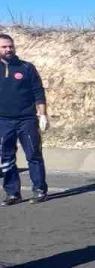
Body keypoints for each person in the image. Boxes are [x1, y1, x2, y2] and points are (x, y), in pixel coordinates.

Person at [0, 34, 50, 205]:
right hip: (3, 121)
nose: (8, 49)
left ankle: (40, 189)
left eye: (10, 46)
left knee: (34, 155)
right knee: (6, 157)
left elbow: (38, 92)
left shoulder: (26, 67)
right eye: (4, 47)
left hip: (27, 119)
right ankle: (13, 193)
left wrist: (43, 115)